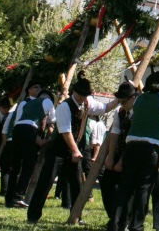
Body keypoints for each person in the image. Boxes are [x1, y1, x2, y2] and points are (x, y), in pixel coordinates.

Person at [27, 74, 103, 223]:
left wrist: (120, 99)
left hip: (73, 150)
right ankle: (33, 216)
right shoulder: (64, 106)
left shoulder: (86, 104)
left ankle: (76, 217)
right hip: (58, 149)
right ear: (74, 92)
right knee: (46, 181)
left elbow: (104, 108)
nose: (82, 98)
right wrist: (75, 150)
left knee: (76, 184)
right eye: (80, 95)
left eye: (85, 95)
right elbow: (65, 131)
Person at [118, 70, 159, 231]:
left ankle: (117, 224)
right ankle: (136, 226)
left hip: (131, 146)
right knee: (144, 189)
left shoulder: (138, 99)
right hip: (151, 148)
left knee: (125, 187)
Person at [101, 80, 137, 231]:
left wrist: (122, 161)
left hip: (133, 154)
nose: (121, 104)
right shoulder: (120, 112)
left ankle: (125, 221)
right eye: (120, 101)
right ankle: (113, 217)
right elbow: (115, 133)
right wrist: (110, 157)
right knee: (106, 182)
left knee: (127, 189)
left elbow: (133, 138)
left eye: (124, 101)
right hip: (119, 152)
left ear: (133, 98)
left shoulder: (139, 112)